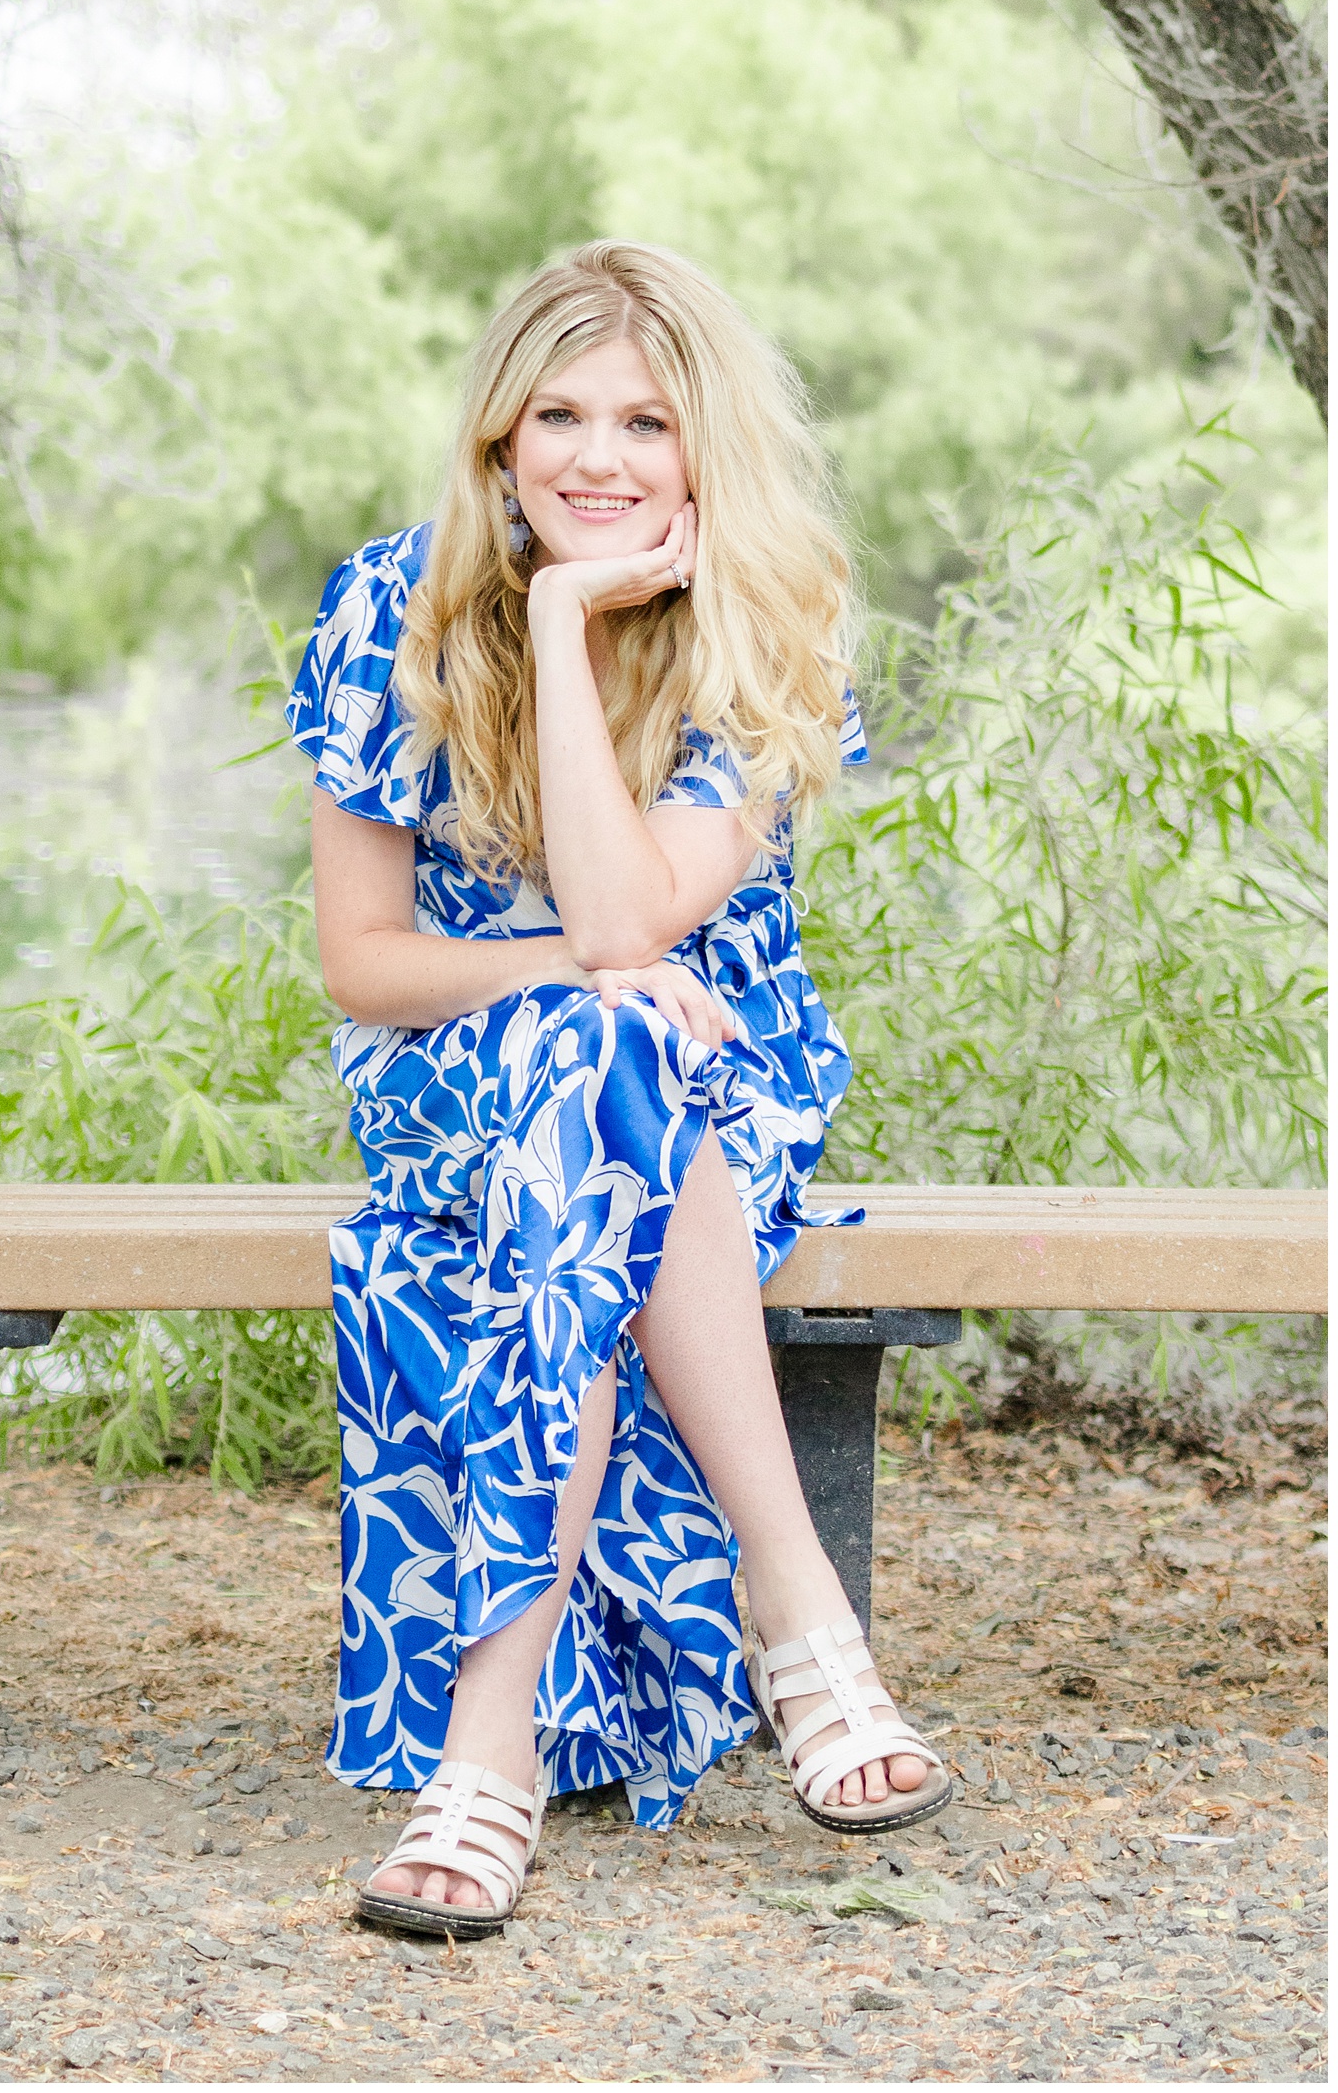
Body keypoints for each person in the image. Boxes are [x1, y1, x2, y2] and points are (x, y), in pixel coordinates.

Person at [285, 241, 949, 1939]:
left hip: (721, 1064)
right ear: (499, 442)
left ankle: (482, 1748)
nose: (599, 457)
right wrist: (545, 618)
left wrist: (571, 633)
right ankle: (800, 1611)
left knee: (628, 1049)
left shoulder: (766, 616)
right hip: (457, 1072)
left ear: (703, 447)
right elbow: (366, 960)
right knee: (608, 1040)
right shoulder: (391, 606)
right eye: (559, 414)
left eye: (647, 421)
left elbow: (634, 918)